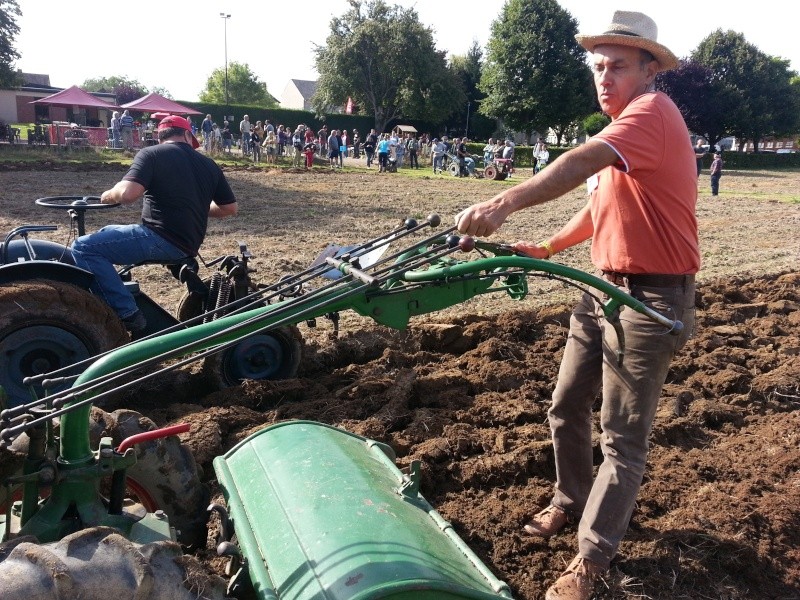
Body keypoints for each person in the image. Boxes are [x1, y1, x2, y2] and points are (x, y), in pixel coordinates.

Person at [455, 11, 699, 600]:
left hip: (653, 296)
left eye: (617, 66)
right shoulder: (622, 134)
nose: (605, 77)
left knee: (621, 437)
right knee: (565, 406)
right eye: (598, 67)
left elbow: (582, 162)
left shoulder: (651, 116)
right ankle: (569, 499)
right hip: (602, 288)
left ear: (649, 70)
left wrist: (506, 201)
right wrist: (547, 246)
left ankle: (592, 561)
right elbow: (598, 210)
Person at [71, 116, 237, 333]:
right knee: (108, 231)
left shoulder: (152, 154)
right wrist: (194, 208)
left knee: (83, 247)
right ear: (187, 135)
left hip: (160, 238)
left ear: (160, 137)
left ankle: (127, 312)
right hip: (188, 242)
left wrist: (107, 194)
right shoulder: (208, 164)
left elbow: (128, 194)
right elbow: (229, 208)